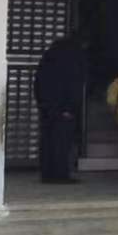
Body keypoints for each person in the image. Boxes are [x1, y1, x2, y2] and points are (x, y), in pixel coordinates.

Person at [32, 34, 85, 183]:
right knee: (61, 143)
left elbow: (38, 84)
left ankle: (47, 174)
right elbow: (72, 86)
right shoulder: (70, 62)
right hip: (63, 109)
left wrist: (43, 105)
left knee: (47, 141)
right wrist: (69, 108)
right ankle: (60, 174)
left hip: (47, 108)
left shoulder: (47, 60)